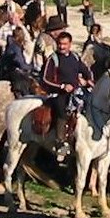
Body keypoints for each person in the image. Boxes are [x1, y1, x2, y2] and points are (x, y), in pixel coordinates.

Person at [41, 31, 94, 160]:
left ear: (70, 44)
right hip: (58, 94)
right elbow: (45, 78)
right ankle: (61, 143)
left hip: (76, 92)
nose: (62, 47)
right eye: (59, 44)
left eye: (64, 44)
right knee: (62, 110)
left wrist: (89, 81)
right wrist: (62, 86)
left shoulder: (75, 57)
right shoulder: (53, 59)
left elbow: (86, 71)